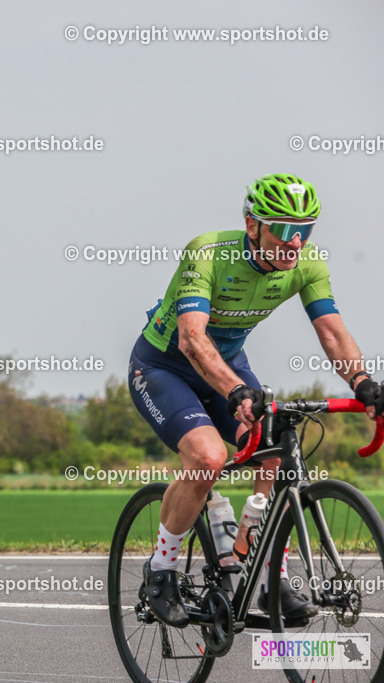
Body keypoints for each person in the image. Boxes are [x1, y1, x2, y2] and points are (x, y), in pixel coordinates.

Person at [129, 173, 384, 627]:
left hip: (227, 365)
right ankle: (160, 572)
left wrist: (363, 383)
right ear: (252, 226)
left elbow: (331, 331)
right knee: (208, 458)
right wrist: (235, 391)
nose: (296, 244)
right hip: (164, 367)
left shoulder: (308, 264)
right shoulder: (207, 252)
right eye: (285, 231)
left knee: (276, 453)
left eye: (306, 231)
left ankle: (265, 573)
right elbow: (191, 339)